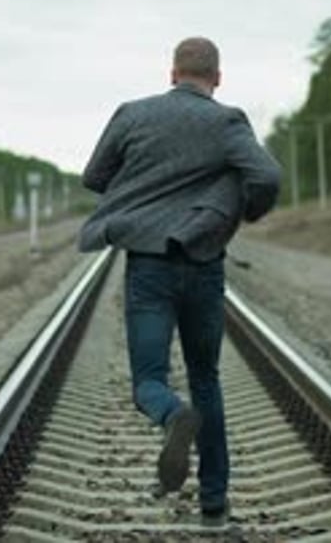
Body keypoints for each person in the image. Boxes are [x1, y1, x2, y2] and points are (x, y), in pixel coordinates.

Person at [78, 37, 281, 521]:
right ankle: (213, 501)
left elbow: (94, 176)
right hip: (203, 264)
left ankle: (172, 415)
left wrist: (139, 190)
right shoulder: (228, 122)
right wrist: (241, 208)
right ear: (218, 79)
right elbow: (267, 177)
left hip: (149, 266)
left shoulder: (133, 114)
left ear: (172, 74)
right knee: (206, 379)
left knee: (149, 380)